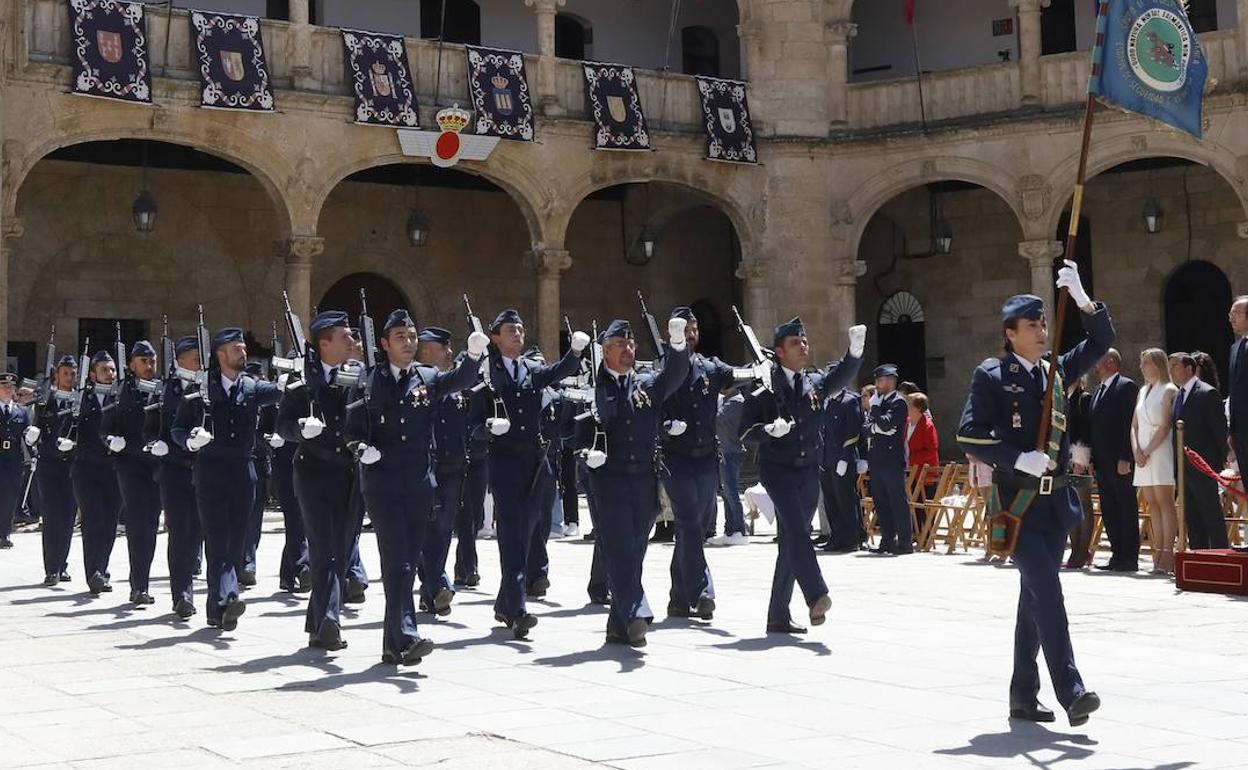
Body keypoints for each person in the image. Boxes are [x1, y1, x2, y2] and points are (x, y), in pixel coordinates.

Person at [955, 259, 1107, 727]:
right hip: (1018, 506)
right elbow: (968, 433)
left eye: (1044, 323)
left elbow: (1101, 343)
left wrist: (1083, 301)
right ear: (1010, 333)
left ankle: (1023, 697)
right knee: (1049, 591)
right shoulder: (992, 375)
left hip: (1055, 505)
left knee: (1032, 604)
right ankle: (1072, 691)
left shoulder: (1056, 369)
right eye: (1032, 325)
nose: (1042, 331)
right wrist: (1016, 457)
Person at [346, 311, 486, 664]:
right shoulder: (367, 379)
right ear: (384, 343)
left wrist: (473, 356)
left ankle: (394, 644)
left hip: (420, 482)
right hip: (382, 482)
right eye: (400, 337)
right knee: (398, 561)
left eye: (411, 336)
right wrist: (362, 449)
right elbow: (352, 430)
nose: (408, 343)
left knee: (406, 561)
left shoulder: (427, 377)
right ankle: (405, 636)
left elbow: (461, 380)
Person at [741, 318, 864, 634]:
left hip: (809, 469)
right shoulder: (764, 387)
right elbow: (744, 432)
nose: (803, 347)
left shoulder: (814, 384)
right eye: (795, 343)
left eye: (805, 341)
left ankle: (777, 615)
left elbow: (840, 378)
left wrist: (855, 353)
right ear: (779, 352)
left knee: (791, 544)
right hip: (777, 470)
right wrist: (767, 431)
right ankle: (816, 594)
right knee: (797, 531)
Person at [582, 317, 690, 646]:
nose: (627, 350)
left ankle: (618, 626)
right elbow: (573, 434)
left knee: (636, 551)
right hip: (609, 480)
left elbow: (674, 375)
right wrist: (586, 454)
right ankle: (637, 612)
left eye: (630, 344)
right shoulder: (593, 390)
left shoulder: (645, 387)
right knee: (619, 552)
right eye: (618, 345)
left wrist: (678, 346)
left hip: (644, 479)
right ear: (604, 351)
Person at [483, 308, 588, 639]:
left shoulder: (530, 369)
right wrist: (488, 428)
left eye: (520, 328)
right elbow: (471, 419)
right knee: (513, 535)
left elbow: (559, 372)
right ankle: (516, 610)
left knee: (529, 534)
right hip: (505, 461)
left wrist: (575, 352)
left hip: (535, 461)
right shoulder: (487, 370)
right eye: (509, 329)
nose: (517, 332)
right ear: (495, 337)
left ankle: (504, 602)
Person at [173, 328, 282, 631]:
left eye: (243, 347)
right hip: (210, 470)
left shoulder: (252, 386)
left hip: (243, 470)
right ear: (220, 355)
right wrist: (190, 441)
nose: (243, 352)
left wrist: (293, 380)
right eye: (236, 348)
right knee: (218, 538)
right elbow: (178, 429)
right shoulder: (200, 389)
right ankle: (226, 599)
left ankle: (217, 608)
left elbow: (276, 392)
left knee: (237, 540)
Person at [277, 310, 361, 650]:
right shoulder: (301, 384)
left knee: (340, 551)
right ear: (324, 343)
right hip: (312, 472)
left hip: (349, 474)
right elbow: (282, 426)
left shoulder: (359, 380)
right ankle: (329, 621)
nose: (352, 342)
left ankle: (318, 620)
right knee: (324, 549)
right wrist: (300, 429)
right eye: (345, 337)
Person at [659, 306, 750, 620]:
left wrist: (762, 370)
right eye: (684, 329)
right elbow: (652, 407)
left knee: (692, 530)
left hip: (707, 458)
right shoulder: (666, 369)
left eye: (694, 328)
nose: (690, 333)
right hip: (677, 459)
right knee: (687, 523)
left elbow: (738, 375)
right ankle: (703, 591)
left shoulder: (711, 367)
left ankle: (677, 598)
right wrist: (666, 425)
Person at [101, 340, 163, 606]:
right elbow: (104, 428)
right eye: (143, 362)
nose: (149, 367)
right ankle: (139, 586)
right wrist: (111, 441)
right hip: (129, 465)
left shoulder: (163, 391)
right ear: (131, 364)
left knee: (151, 523)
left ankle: (142, 579)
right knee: (138, 522)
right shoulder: (119, 393)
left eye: (152, 362)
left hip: (157, 465)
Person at [154, 336, 205, 619]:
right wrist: (156, 443)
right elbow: (152, 426)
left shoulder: (208, 387)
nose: (200, 362)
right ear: (179, 360)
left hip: (203, 469)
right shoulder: (166, 391)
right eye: (195, 357)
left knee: (198, 530)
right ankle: (182, 594)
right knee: (180, 532)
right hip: (174, 468)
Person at [73, 351, 122, 596]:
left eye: (113, 370)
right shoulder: (81, 399)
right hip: (87, 468)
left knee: (110, 522)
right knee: (93, 520)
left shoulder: (122, 398)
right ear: (92, 374)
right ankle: (94, 572)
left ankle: (102, 569)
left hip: (113, 469)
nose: (110, 374)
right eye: (105, 369)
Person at [1169, 352, 1228, 550]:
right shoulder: (1177, 396)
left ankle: (1220, 556)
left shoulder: (1206, 392)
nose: (1172, 372)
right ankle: (1198, 557)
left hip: (1203, 466)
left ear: (1189, 368)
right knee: (1192, 518)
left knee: (1211, 515)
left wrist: (1217, 463)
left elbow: (1219, 431)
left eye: (1176, 367)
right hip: (1183, 469)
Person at [28, 355, 79, 582]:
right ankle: (51, 568)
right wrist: (31, 437)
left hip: (71, 465)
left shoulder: (78, 401)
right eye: (65, 373)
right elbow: (35, 428)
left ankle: (62, 563)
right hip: (48, 465)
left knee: (68, 515)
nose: (69, 377)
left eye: (73, 373)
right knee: (51, 516)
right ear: (57, 375)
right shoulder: (45, 401)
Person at [1131, 348, 1178, 574]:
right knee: (1152, 504)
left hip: (1159, 451)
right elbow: (1134, 425)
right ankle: (1158, 551)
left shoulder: (1169, 389)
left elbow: (1166, 424)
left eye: (1146, 362)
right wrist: (1137, 450)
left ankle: (1168, 554)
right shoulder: (1142, 391)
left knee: (1165, 502)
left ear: (1157, 364)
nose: (1142, 367)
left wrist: (1147, 450)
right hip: (1142, 452)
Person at [866, 364, 912, 555]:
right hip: (877, 459)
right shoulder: (880, 402)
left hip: (892, 461)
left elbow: (887, 424)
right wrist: (879, 426)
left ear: (892, 381)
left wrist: (875, 410)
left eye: (881, 380)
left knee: (897, 502)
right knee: (881, 502)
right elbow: (867, 428)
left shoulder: (897, 402)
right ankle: (887, 540)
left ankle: (904, 542)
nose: (877, 384)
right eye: (876, 380)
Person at [820, 380, 865, 553]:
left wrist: (846, 458)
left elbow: (853, 431)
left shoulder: (849, 401)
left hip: (842, 460)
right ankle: (836, 537)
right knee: (830, 501)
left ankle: (851, 538)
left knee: (845, 500)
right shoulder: (828, 402)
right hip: (827, 459)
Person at [1064, 376, 1096, 570]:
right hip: (1064, 458)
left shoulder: (1084, 398)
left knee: (1083, 504)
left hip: (1079, 458)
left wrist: (1081, 459)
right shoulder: (1063, 399)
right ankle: (1075, 550)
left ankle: (1083, 551)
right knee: (1069, 505)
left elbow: (1085, 430)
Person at [712, 391, 749, 545]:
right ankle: (730, 529)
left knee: (731, 492)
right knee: (726, 492)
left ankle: (739, 529)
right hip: (725, 451)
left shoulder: (735, 402)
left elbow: (717, 417)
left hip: (731, 451)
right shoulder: (726, 400)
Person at [0, 373, 31, 550]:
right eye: (4, 385)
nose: (7, 389)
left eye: (11, 386)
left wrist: (33, 453)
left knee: (10, 497)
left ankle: (5, 533)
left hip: (13, 459)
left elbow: (27, 436)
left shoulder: (21, 411)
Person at [1227, 296, 1248, 476]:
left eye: (1236, 313)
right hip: (1241, 432)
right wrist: (1232, 431)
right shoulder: (1235, 348)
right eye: (1230, 314)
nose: (1231, 318)